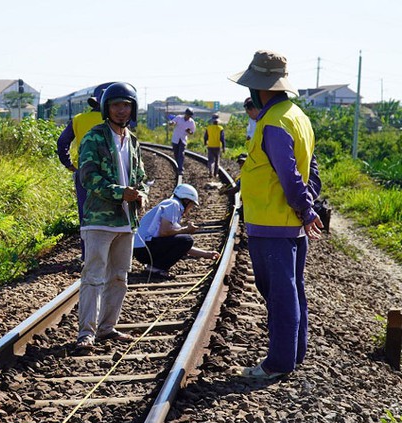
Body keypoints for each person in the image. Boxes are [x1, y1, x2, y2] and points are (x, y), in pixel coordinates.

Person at [228, 50, 324, 380]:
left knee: (280, 295)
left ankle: (278, 363)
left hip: (272, 223)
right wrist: (306, 205)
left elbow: (289, 174)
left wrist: (305, 209)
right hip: (287, 222)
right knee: (292, 290)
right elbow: (311, 169)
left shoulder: (272, 122)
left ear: (259, 88)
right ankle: (294, 353)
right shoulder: (297, 116)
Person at [75, 82, 149, 352]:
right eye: (116, 105)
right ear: (107, 108)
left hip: (126, 221)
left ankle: (107, 328)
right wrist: (120, 192)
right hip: (99, 220)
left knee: (119, 277)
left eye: (126, 105)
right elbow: (87, 176)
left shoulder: (133, 141)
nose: (121, 110)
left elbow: (141, 178)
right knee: (94, 277)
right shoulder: (94, 137)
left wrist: (141, 194)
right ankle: (86, 333)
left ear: (133, 109)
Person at [56, 82, 113, 260]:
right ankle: (108, 254)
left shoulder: (79, 119)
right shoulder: (112, 121)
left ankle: (87, 255)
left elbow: (62, 142)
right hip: (110, 174)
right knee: (111, 213)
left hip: (85, 173)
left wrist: (68, 164)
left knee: (85, 214)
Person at [133, 184, 220, 278]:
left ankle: (154, 267)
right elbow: (164, 232)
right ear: (186, 200)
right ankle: (156, 269)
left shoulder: (172, 204)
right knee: (187, 239)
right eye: (192, 204)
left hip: (142, 249)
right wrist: (186, 230)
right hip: (144, 249)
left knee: (185, 240)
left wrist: (207, 254)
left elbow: (179, 244)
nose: (191, 208)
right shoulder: (173, 204)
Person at [169, 108, 196, 175]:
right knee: (176, 154)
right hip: (176, 138)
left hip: (183, 139)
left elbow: (192, 132)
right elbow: (173, 122)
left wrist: (189, 131)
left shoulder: (191, 122)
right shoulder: (179, 118)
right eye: (188, 115)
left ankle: (180, 169)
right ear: (185, 114)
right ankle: (179, 166)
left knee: (181, 154)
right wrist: (172, 123)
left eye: (190, 116)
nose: (188, 117)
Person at [204, 113, 226, 178]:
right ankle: (215, 174)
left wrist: (205, 143)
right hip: (217, 146)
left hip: (210, 146)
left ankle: (210, 171)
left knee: (211, 160)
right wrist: (223, 147)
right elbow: (222, 139)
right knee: (217, 161)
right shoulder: (220, 128)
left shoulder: (208, 128)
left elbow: (205, 137)